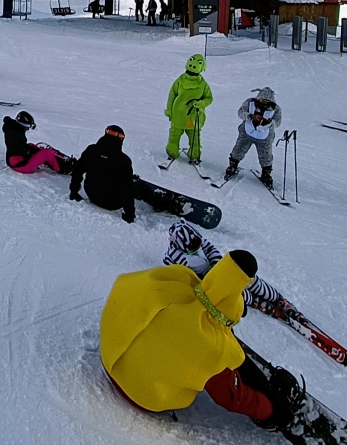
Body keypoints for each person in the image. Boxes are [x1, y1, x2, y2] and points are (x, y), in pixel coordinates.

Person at [100, 250, 305, 433]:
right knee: (207, 362)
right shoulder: (208, 346)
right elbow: (232, 397)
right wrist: (270, 412)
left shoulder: (174, 283)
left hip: (112, 356)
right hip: (141, 394)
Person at [163, 220, 295, 318]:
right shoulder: (175, 257)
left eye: (199, 245)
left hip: (219, 267)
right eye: (193, 248)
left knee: (248, 279)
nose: (198, 248)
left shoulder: (199, 241)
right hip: (209, 280)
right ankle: (258, 303)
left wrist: (217, 263)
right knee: (236, 292)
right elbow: (182, 275)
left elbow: (210, 249)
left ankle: (277, 298)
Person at [69, 125, 137, 223]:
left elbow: (77, 170)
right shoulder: (124, 161)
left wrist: (73, 192)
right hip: (113, 203)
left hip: (91, 194)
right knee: (135, 184)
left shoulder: (91, 150)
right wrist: (129, 214)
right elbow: (128, 189)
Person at [225, 87, 282, 188]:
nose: (263, 102)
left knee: (266, 155)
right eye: (261, 100)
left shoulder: (276, 109)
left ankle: (266, 173)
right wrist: (250, 116)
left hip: (265, 137)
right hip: (246, 133)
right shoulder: (250, 102)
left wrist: (270, 122)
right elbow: (240, 112)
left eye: (266, 101)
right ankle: (233, 166)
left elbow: (277, 122)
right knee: (239, 149)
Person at [165, 54, 213, 163]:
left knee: (193, 135)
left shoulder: (203, 84)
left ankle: (194, 153)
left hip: (192, 116)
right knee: (175, 134)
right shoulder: (179, 81)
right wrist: (169, 110)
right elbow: (172, 94)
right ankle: (172, 150)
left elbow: (209, 98)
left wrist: (202, 103)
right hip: (178, 114)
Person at [2, 111, 74, 174]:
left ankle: (57, 158)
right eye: (28, 126)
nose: (28, 129)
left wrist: (32, 148)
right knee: (46, 153)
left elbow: (19, 146)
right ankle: (65, 169)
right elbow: (16, 149)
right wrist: (29, 150)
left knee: (34, 146)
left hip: (17, 160)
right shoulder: (15, 134)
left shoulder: (14, 127)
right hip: (20, 165)